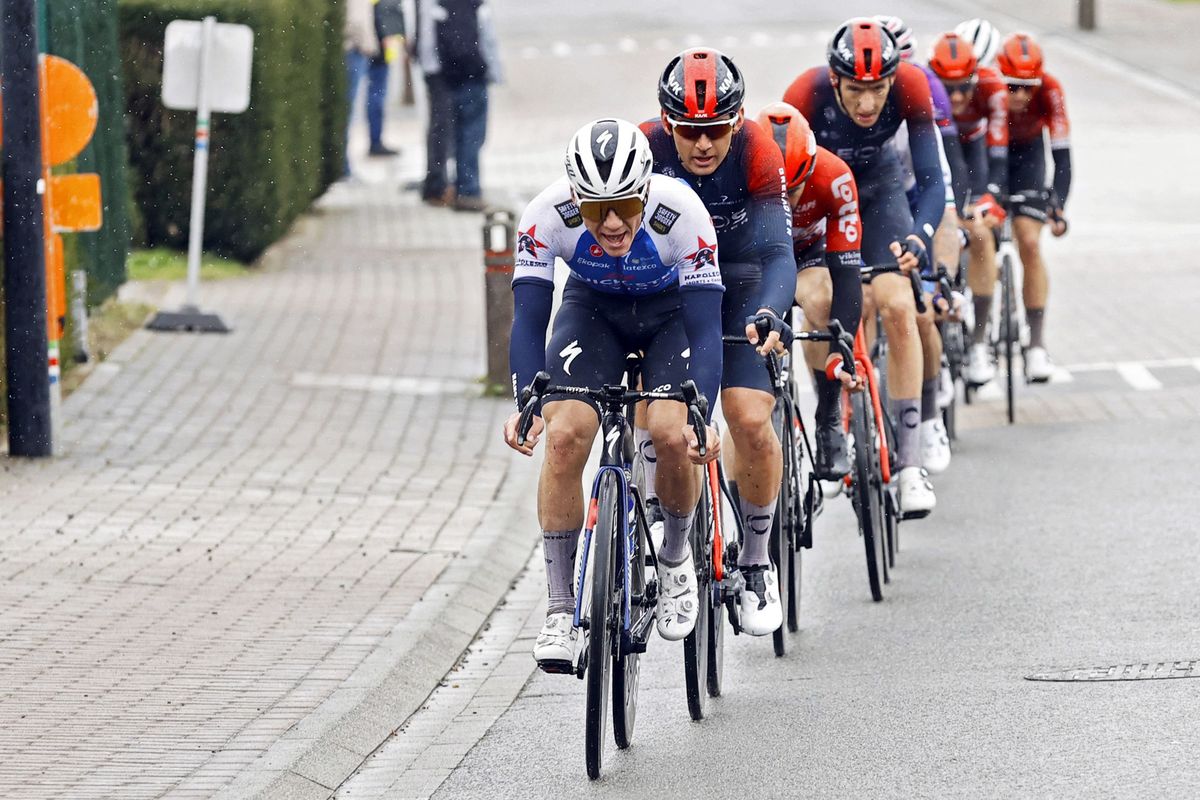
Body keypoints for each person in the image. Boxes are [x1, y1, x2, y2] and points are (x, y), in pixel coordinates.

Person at [503, 119, 724, 669]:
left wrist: (704, 414)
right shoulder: (545, 216)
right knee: (563, 436)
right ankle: (559, 609)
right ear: (576, 198)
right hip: (593, 312)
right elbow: (529, 321)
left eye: (625, 205)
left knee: (673, 435)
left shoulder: (684, 215)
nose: (613, 222)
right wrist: (526, 402)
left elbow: (704, 328)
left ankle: (674, 557)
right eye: (596, 208)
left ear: (645, 191)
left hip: (670, 317)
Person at [641, 48, 797, 635]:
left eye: (713, 131)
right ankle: (656, 499)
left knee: (749, 419)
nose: (702, 145)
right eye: (687, 131)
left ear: (733, 122)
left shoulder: (757, 150)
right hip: (669, 288)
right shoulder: (644, 150)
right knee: (649, 405)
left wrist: (768, 311)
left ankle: (757, 563)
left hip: (738, 283)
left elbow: (778, 252)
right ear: (665, 123)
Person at [783, 18, 946, 517]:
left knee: (899, 307)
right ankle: (830, 416)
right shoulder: (805, 92)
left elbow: (933, 180)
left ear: (893, 80)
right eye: (856, 90)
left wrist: (921, 235)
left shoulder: (913, 85)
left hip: (879, 195)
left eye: (878, 89)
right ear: (836, 81)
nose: (868, 104)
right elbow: (780, 170)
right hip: (821, 198)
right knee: (819, 302)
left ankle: (911, 465)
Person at [753, 102, 864, 480]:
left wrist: (840, 351)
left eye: (797, 188)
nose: (789, 201)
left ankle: (827, 415)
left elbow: (847, 275)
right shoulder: (738, 174)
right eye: (779, 190)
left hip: (808, 256)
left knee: (821, 299)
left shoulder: (835, 177)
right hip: (759, 260)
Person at [927, 32, 1011, 390]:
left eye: (965, 87)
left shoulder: (992, 89)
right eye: (950, 88)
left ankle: (978, 343)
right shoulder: (926, 90)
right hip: (940, 159)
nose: (958, 96)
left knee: (979, 232)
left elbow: (996, 156)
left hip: (976, 157)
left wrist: (987, 199)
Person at [996, 33, 1070, 381]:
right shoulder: (986, 88)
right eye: (1012, 86)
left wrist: (1057, 205)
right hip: (990, 155)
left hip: (1027, 157)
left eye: (1029, 87)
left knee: (1029, 240)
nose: (1022, 96)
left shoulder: (1051, 90)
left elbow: (1062, 156)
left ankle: (1037, 344)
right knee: (981, 233)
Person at [413, 0, 503, 211]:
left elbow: (424, 35)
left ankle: (437, 187)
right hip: (471, 70)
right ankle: (468, 190)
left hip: (442, 71)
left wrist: (430, 69)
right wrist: (494, 72)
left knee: (441, 131)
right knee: (471, 133)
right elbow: (486, 31)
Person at [344, 0, 405, 168]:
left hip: (378, 39)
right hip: (364, 43)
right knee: (352, 101)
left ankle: (376, 142)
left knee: (375, 95)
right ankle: (345, 162)